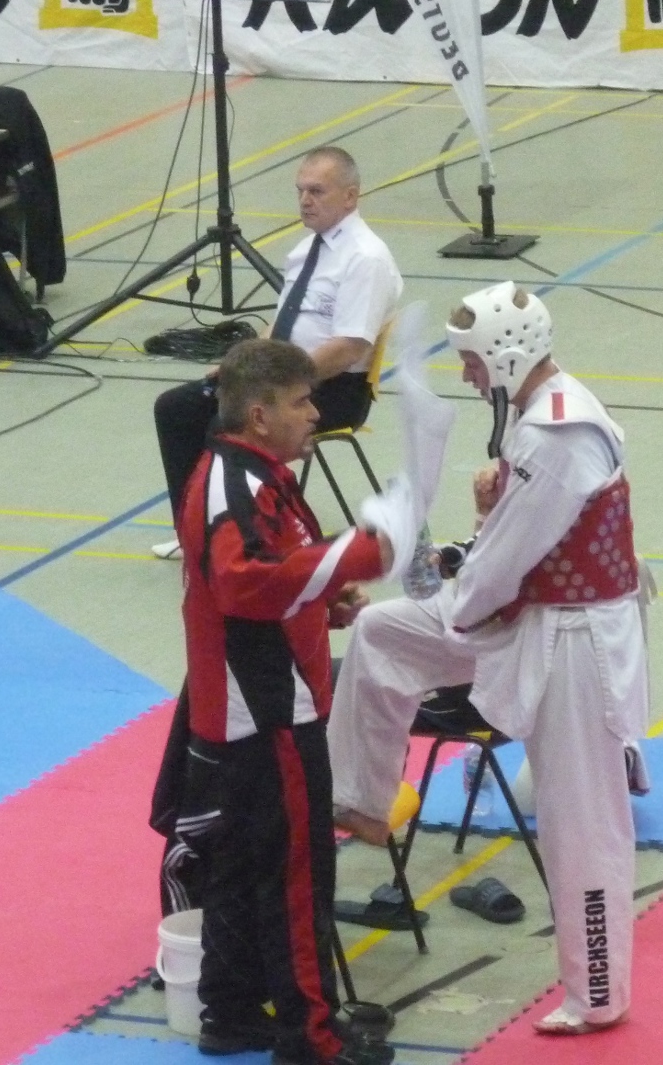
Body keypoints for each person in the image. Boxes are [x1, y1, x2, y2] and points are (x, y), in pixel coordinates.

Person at [328, 283, 649, 1036]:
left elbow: (502, 567)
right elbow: (508, 547)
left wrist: (453, 584)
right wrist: (460, 550)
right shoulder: (539, 420)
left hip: (573, 642)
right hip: (529, 616)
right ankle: (363, 801)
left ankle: (598, 991)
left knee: (581, 821)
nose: (468, 376)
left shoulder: (556, 434)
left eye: (472, 361)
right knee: (382, 634)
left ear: (506, 354)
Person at [177, 337, 404, 1065]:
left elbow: (275, 572)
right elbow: (243, 582)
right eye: (302, 402)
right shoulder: (233, 484)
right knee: (298, 874)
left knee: (245, 864)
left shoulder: (257, 475)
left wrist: (321, 602)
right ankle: (312, 1039)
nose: (315, 414)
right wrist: (364, 552)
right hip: (269, 709)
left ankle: (231, 1010)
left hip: (259, 700)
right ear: (259, 413)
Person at [151, 144, 402, 559]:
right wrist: (241, 364)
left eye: (317, 191)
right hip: (279, 378)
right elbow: (282, 323)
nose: (305, 200)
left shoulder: (366, 259)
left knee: (226, 424)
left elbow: (348, 347)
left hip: (329, 389)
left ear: (350, 196)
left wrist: (276, 381)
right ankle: (195, 530)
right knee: (176, 407)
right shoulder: (304, 252)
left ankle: (238, 534)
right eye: (300, 190)